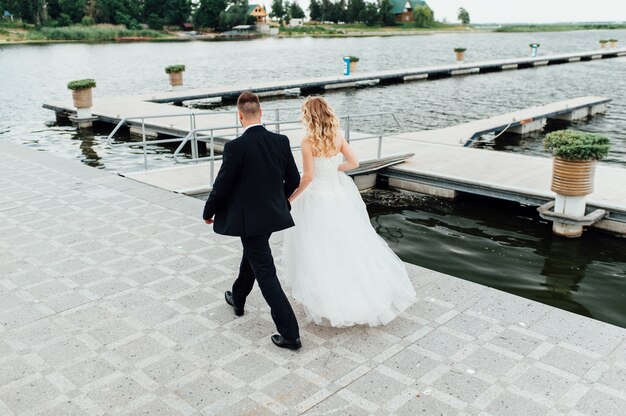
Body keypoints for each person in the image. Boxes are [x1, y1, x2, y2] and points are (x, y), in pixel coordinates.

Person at [283, 96, 416, 327]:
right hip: (339, 196)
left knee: (317, 247)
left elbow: (308, 177)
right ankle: (356, 290)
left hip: (316, 199)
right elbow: (354, 163)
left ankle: (325, 296)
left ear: (308, 116)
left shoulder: (307, 142)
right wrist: (336, 168)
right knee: (346, 244)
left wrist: (291, 196)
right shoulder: (337, 136)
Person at [203, 91, 302, 350]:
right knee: (254, 257)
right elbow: (294, 179)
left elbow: (222, 185)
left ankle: (290, 333)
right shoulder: (280, 141)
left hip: (250, 220)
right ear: (261, 113)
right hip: (271, 215)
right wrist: (279, 202)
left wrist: (208, 211)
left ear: (239, 116)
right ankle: (238, 298)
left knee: (265, 271)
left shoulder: (235, 147)